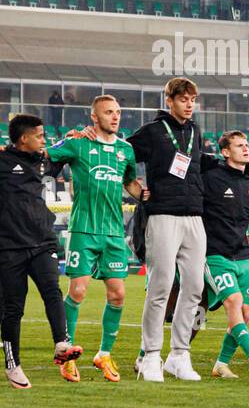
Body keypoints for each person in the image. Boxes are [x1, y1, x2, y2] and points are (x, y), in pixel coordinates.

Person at [48, 95, 144, 383]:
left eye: (117, 112)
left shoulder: (126, 150)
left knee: (118, 294)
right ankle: (66, 354)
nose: (115, 117)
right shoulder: (78, 143)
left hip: (114, 233)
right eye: (108, 112)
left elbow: (130, 183)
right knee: (77, 291)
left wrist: (149, 196)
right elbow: (46, 154)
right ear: (94, 116)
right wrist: (66, 137)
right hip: (83, 230)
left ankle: (104, 353)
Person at [128, 77, 208, 382]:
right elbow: (122, 155)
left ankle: (179, 355)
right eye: (183, 100)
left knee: (195, 287)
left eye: (192, 100)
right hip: (162, 215)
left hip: (194, 216)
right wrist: (133, 188)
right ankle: (150, 356)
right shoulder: (152, 132)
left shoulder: (196, 132)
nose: (189, 105)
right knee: (161, 286)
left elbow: (199, 165)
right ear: (169, 101)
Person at [0, 115, 83, 388]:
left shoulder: (43, 160)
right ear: (24, 138)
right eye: (39, 135)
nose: (43, 140)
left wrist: (71, 140)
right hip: (9, 247)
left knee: (52, 290)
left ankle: (62, 343)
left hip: (42, 242)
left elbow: (62, 151)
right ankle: (13, 366)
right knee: (13, 309)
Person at [201, 131, 249, 378]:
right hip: (215, 254)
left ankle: (221, 364)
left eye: (247, 145)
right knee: (232, 302)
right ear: (225, 152)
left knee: (244, 312)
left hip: (243, 255)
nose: (246, 149)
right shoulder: (211, 177)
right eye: (239, 146)